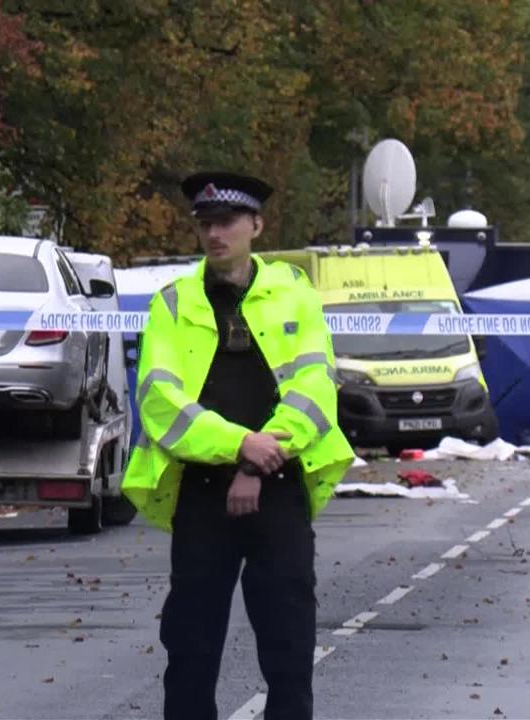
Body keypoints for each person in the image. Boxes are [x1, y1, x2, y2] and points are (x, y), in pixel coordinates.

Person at [121, 172, 354, 720]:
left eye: (226, 222)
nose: (214, 234)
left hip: (279, 488)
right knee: (191, 648)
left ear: (257, 225)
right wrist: (240, 447)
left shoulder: (294, 294)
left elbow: (315, 389)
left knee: (289, 647)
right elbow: (159, 402)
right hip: (203, 494)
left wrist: (259, 458)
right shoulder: (173, 304)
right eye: (205, 224)